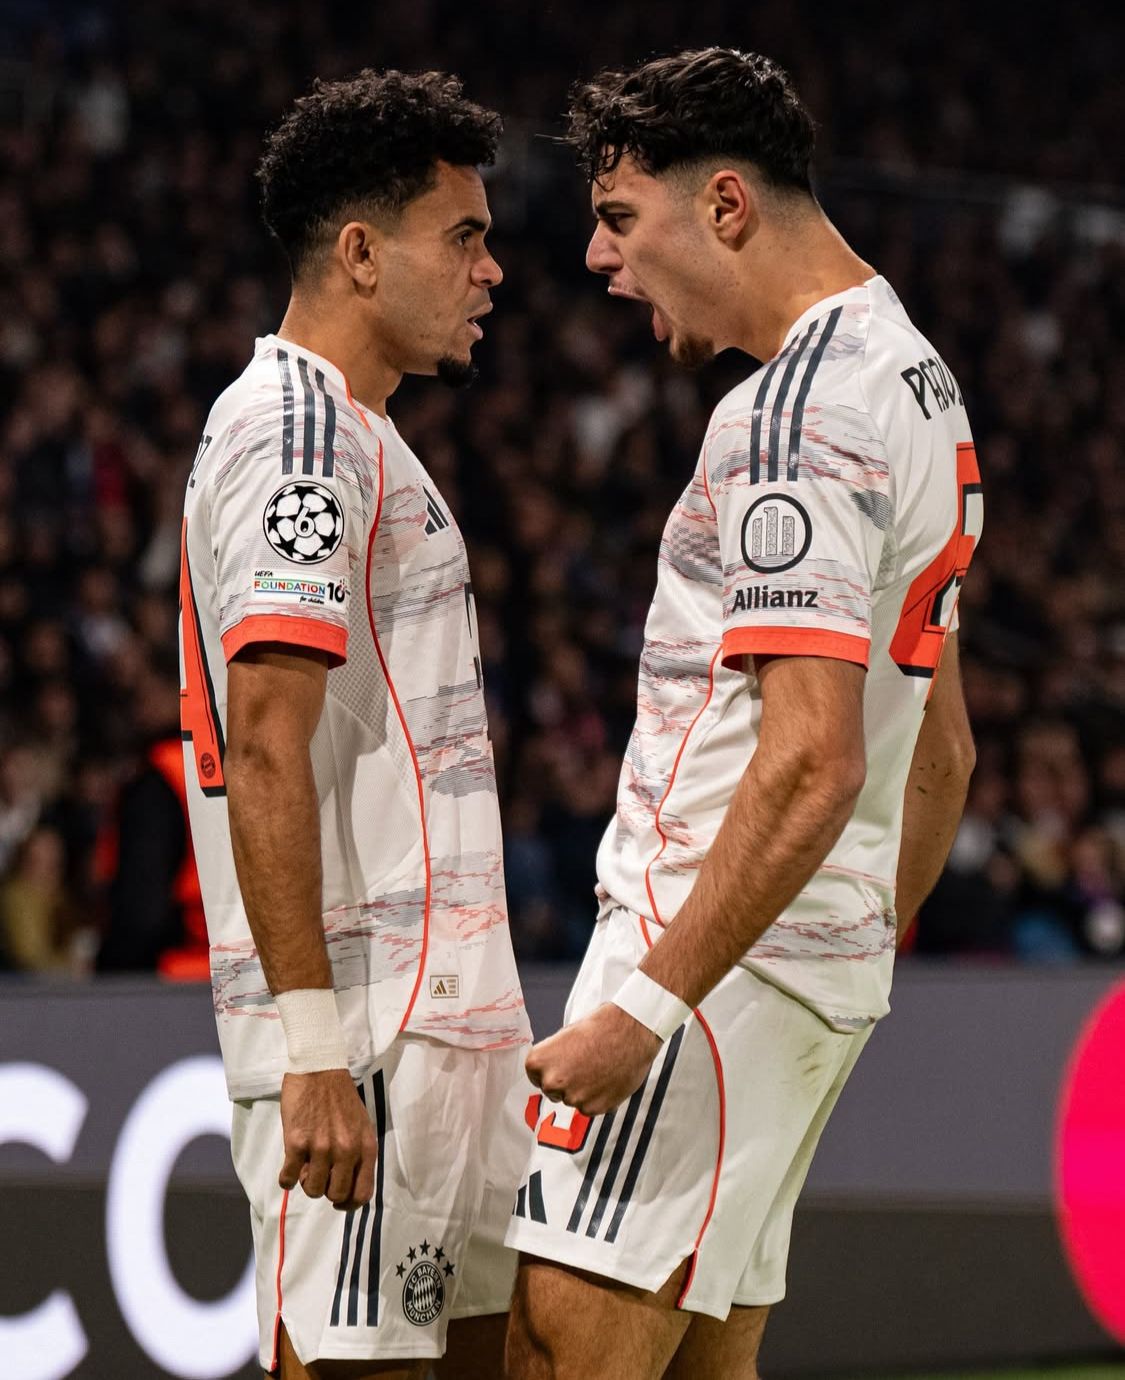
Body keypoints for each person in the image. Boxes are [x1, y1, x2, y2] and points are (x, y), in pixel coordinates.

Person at [504, 49, 982, 1380]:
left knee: (559, 1352)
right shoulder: (917, 381)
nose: (600, 261)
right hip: (792, 971)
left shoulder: (794, 414)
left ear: (724, 205)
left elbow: (815, 759)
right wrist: (841, 949)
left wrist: (647, 1011)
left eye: (619, 219)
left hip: (704, 968)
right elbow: (940, 753)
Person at [179, 69, 531, 1380]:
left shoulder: (359, 431)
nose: (491, 271)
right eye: (464, 237)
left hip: (439, 1022)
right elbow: (266, 744)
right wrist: (314, 1048)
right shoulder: (297, 439)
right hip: (365, 1031)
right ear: (361, 254)